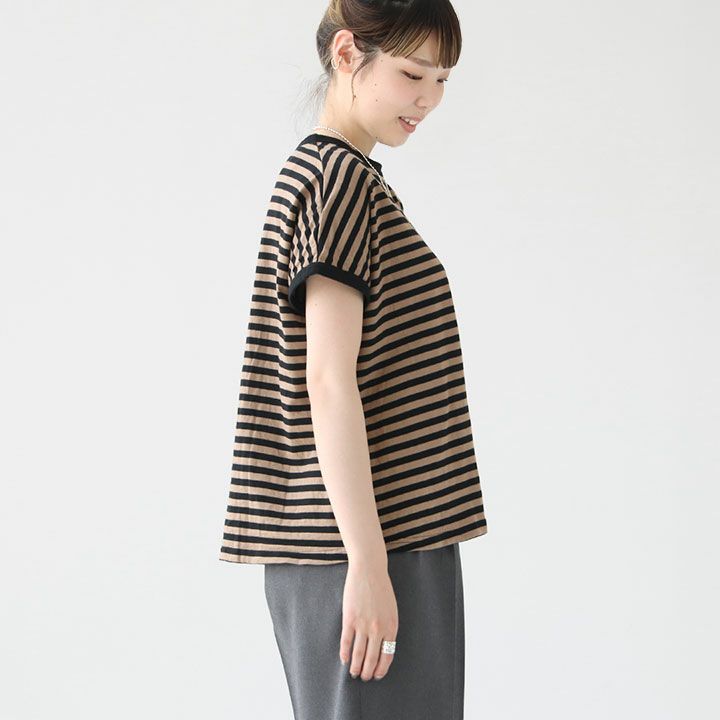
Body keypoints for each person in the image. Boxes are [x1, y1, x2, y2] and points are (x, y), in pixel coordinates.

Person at [218, 1, 488, 717]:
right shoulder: (336, 181)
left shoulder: (347, 178)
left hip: (381, 535)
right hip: (365, 543)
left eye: (442, 79)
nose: (429, 99)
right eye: (412, 74)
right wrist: (367, 564)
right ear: (347, 55)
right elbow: (329, 381)